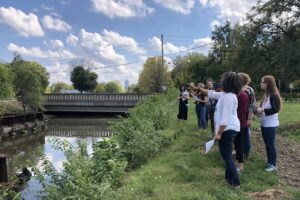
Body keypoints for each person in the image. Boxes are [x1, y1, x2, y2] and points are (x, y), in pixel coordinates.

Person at [191, 72, 243, 188]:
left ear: (227, 83)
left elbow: (225, 118)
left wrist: (219, 133)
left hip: (227, 128)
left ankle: (235, 183)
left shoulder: (228, 97)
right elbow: (211, 93)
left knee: (226, 155)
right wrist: (197, 88)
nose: (221, 82)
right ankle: (228, 178)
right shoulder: (225, 95)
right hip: (228, 128)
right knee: (226, 154)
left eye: (223, 80)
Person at [256, 75, 282, 172]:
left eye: (262, 82)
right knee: (267, 144)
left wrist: (263, 110)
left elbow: (276, 109)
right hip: (264, 123)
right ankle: (269, 162)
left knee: (270, 144)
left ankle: (273, 165)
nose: (261, 84)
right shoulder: (266, 95)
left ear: (267, 84)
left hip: (271, 125)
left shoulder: (274, 95)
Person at [238, 73, 256, 160]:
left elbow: (252, 105)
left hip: (246, 115)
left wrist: (249, 119)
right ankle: (238, 151)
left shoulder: (249, 90)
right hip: (238, 115)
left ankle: (246, 154)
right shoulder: (236, 88)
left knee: (245, 135)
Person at [234, 77, 249, 172]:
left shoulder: (243, 95)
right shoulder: (238, 94)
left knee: (239, 144)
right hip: (237, 123)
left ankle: (241, 166)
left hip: (240, 123)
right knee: (236, 144)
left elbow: (242, 112)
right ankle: (237, 162)